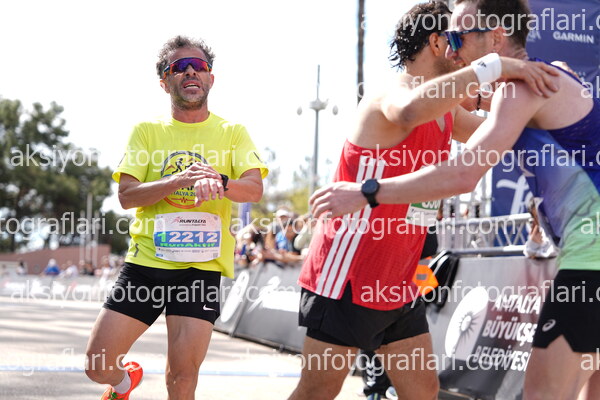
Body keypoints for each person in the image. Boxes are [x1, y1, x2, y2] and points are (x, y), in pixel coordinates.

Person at [310, 0, 600, 398]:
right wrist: (492, 84)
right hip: (356, 274)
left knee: (540, 395)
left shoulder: (519, 91)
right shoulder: (542, 79)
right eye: (447, 38)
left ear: (495, 37)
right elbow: (420, 113)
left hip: (586, 258)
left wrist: (367, 191)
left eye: (458, 37)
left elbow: (465, 172)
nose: (452, 49)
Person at [85, 35, 268, 400]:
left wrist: (220, 180)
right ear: (165, 81)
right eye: (179, 67)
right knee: (98, 365)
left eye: (198, 66)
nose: (190, 72)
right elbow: (127, 195)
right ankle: (123, 384)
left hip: (200, 268)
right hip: (147, 264)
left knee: (182, 378)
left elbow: (253, 190)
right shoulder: (147, 131)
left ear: (211, 78)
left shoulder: (232, 133)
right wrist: (178, 180)